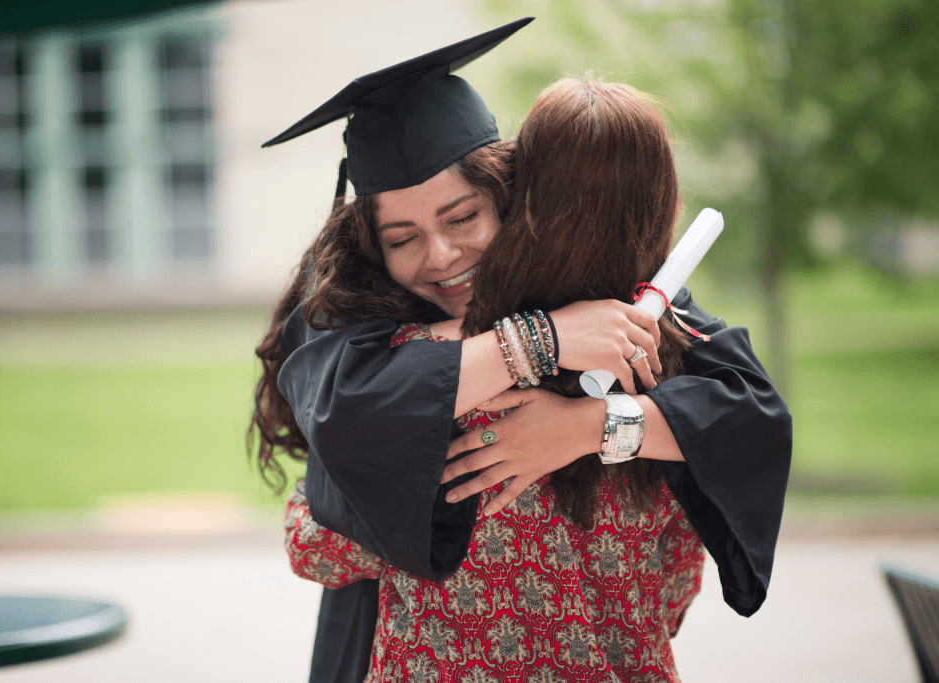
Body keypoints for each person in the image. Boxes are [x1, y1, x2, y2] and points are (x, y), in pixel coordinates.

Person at [253, 17, 791, 683]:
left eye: (462, 216)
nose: (441, 256)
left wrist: (587, 426)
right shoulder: (354, 321)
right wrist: (545, 341)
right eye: (402, 238)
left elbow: (748, 406)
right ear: (370, 248)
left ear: (509, 196)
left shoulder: (623, 314)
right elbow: (676, 580)